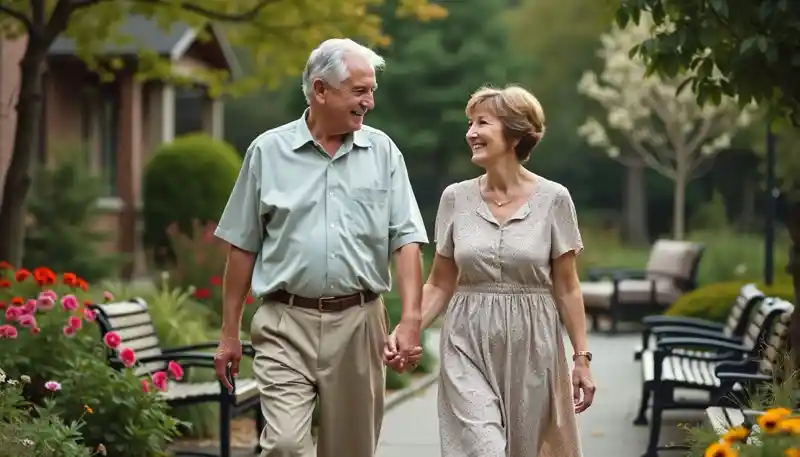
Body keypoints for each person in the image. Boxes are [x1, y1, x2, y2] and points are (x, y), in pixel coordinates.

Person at [212, 38, 428, 457]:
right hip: (284, 322)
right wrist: (229, 333)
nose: (369, 102)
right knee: (285, 446)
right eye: (360, 91)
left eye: (372, 91)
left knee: (350, 451)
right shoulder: (267, 152)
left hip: (359, 323)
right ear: (320, 89)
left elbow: (406, 240)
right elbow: (242, 247)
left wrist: (411, 321)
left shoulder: (383, 153)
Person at [384, 84, 596, 457]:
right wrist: (409, 327)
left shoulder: (554, 199)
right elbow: (441, 280)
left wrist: (581, 359)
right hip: (467, 341)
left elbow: (567, 288)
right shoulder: (455, 198)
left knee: (521, 451)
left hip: (533, 345)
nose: (471, 133)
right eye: (470, 123)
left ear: (515, 134)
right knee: (483, 450)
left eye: (482, 122)